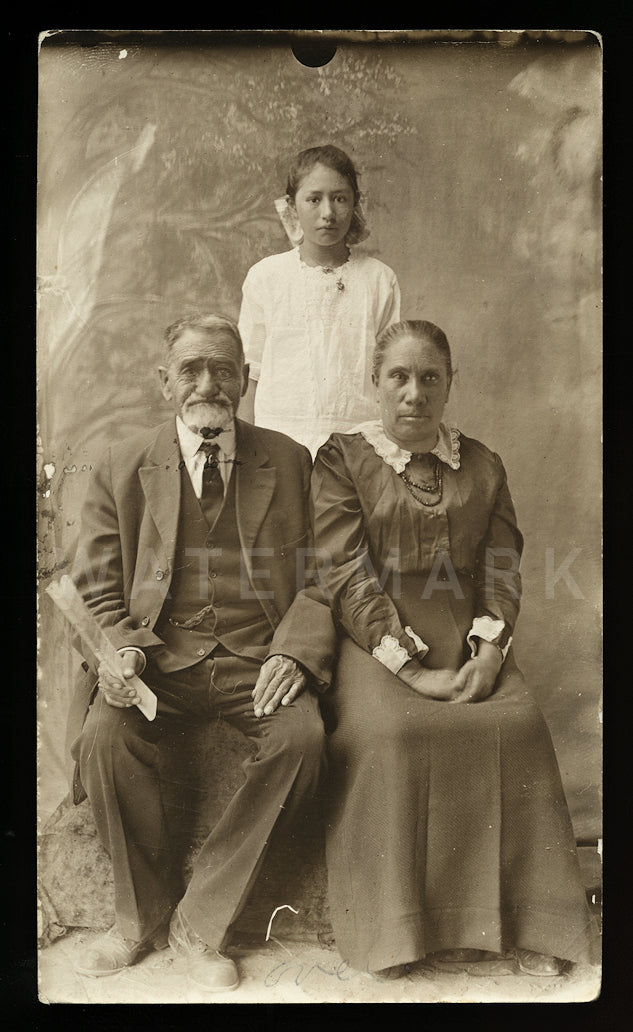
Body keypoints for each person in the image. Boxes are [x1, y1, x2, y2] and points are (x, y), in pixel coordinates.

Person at [310, 319, 599, 979]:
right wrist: (412, 671)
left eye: (429, 378)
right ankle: (400, 934)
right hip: (371, 636)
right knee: (393, 732)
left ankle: (527, 924)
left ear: (448, 385)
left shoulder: (482, 463)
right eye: (398, 378)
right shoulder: (342, 459)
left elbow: (501, 567)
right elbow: (344, 573)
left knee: (515, 724)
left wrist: (490, 649)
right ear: (375, 383)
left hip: (465, 631)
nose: (413, 393)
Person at [65, 313, 336, 993]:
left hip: (256, 658)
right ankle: (138, 918)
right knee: (103, 738)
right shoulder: (119, 462)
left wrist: (296, 653)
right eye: (191, 369)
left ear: (245, 380)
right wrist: (120, 653)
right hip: (160, 662)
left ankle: (201, 921)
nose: (207, 383)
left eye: (222, 369)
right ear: (165, 382)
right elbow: (97, 588)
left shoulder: (289, 459)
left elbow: (323, 575)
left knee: (302, 737)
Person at [238, 144, 401, 457]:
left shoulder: (379, 280)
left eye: (340, 198)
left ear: (355, 204)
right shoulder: (266, 277)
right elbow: (250, 374)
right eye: (314, 199)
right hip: (278, 441)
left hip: (359, 444)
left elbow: (391, 375)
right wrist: (247, 457)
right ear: (292, 206)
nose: (328, 213)